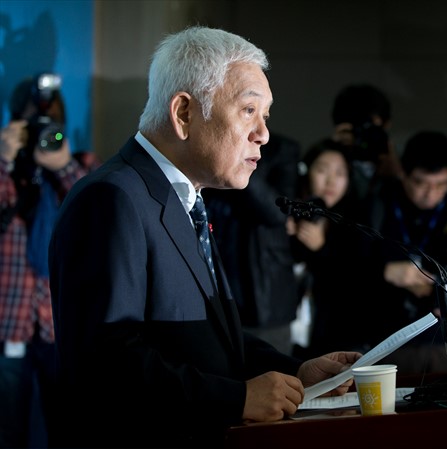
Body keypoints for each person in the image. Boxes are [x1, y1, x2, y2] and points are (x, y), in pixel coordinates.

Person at [48, 26, 361, 448]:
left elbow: (208, 340)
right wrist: (236, 399)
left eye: (265, 116)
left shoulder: (186, 198)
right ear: (183, 114)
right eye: (248, 110)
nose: (263, 134)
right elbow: (104, 361)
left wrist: (297, 373)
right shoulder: (111, 198)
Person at [0, 73, 96, 448]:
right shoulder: (9, 170)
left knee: (66, 427)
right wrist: (3, 160)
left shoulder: (81, 166)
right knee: (8, 431)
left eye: (50, 123)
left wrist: (63, 166)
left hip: (60, 324)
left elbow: (96, 218)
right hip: (9, 321)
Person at [363, 130, 447, 374]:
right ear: (403, 173)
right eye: (421, 183)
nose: (430, 193)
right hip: (386, 343)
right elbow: (343, 268)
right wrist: (383, 271)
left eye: (441, 185)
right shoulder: (377, 207)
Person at [203, 132, 301, 355]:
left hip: (264, 292)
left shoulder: (282, 148)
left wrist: (241, 156)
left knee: (274, 368)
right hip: (218, 281)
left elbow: (277, 212)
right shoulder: (213, 143)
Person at [286, 138, 369, 358]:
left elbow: (357, 280)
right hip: (290, 327)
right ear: (307, 172)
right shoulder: (290, 211)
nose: (331, 181)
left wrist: (322, 248)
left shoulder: (356, 222)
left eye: (340, 174)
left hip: (337, 332)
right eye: (322, 170)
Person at [330, 83, 402, 201]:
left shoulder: (402, 162)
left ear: (387, 124)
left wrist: (399, 177)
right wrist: (331, 153)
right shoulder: (329, 155)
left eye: (370, 128)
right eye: (358, 128)